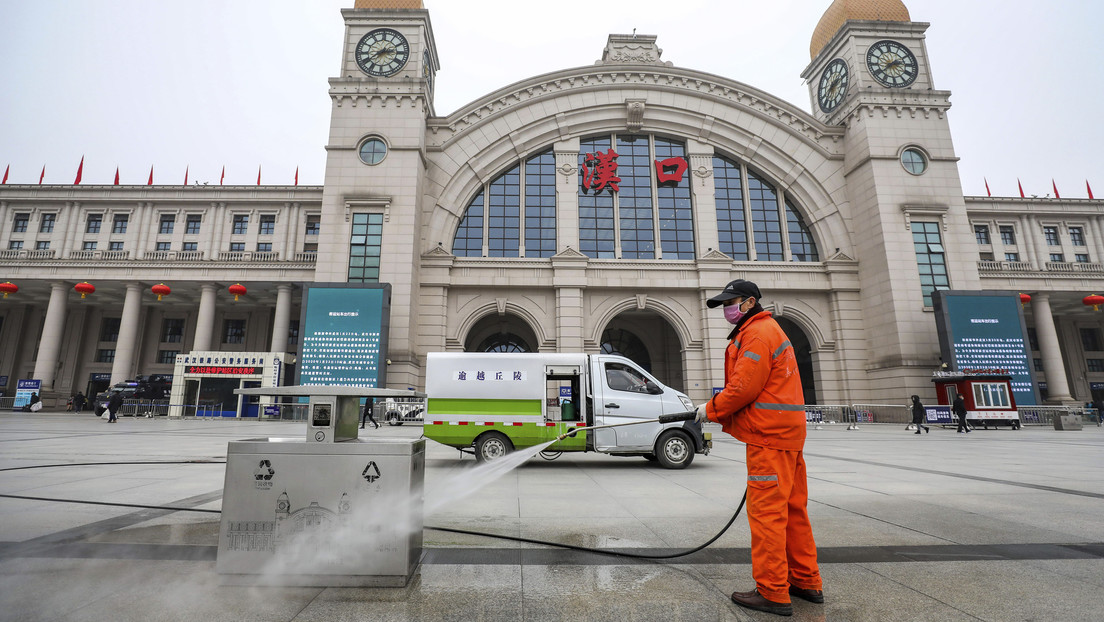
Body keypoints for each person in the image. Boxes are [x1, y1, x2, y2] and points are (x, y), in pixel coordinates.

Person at [697, 279, 823, 616]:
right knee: (793, 510)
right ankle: (805, 580)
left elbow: (742, 388)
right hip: (788, 436)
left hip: (769, 438)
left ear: (750, 301)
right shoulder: (768, 330)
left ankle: (771, 591)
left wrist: (708, 410)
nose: (727, 309)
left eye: (731, 302)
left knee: (768, 514)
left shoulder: (757, 333)